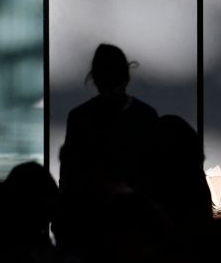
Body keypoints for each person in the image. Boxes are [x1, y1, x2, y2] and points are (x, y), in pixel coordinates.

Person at [58, 43, 158, 197]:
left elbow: (68, 179)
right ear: (126, 78)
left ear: (95, 80)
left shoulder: (79, 118)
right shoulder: (145, 116)